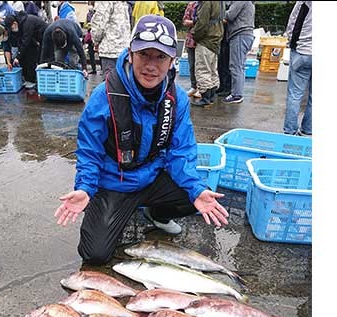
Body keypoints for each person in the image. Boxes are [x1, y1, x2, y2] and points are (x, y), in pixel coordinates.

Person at [54, 15, 229, 265]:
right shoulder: (102, 96)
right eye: (144, 54)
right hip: (114, 183)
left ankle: (158, 214)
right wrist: (85, 188)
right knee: (95, 255)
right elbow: (89, 152)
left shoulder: (177, 99)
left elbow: (182, 151)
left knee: (199, 197)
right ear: (130, 53)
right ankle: (116, 211)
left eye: (160, 57)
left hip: (152, 177)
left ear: (171, 62)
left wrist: (195, 189)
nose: (151, 65)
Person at [283, 0, 312, 136]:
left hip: (303, 51)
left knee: (295, 94)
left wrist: (291, 42)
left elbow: (293, 22)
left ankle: (290, 131)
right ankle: (308, 130)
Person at [191, 1, 224, 107]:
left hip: (206, 40)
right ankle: (211, 97)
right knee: (212, 70)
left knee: (202, 69)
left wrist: (195, 34)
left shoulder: (206, 2)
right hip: (216, 39)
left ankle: (205, 98)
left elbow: (202, 22)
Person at [222, 1, 255, 104]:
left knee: (236, 66)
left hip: (240, 34)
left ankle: (236, 95)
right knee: (239, 66)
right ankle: (237, 92)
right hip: (244, 35)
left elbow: (230, 15)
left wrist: (218, 11)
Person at [2, 13, 47, 88]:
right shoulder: (19, 25)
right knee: (24, 57)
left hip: (44, 38)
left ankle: (33, 80)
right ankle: (28, 79)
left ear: (15, 23)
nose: (12, 30)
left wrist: (18, 57)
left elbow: (26, 41)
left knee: (33, 58)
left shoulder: (27, 23)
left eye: (11, 28)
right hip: (34, 39)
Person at [90, 0, 131, 76]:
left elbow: (99, 23)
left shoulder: (104, 2)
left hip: (110, 48)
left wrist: (95, 41)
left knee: (110, 83)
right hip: (124, 48)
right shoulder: (123, 3)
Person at [181, 1, 200, 98]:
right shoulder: (191, 4)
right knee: (192, 65)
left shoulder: (208, 4)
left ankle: (202, 88)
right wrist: (194, 22)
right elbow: (185, 21)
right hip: (191, 40)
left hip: (203, 40)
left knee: (202, 66)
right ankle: (194, 86)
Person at [83, 1, 97, 74]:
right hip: (90, 36)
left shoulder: (98, 13)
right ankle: (94, 69)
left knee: (99, 53)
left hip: (96, 35)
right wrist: (89, 25)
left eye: (91, 4)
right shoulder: (88, 14)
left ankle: (102, 68)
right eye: (89, 4)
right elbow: (85, 25)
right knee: (91, 53)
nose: (89, 6)